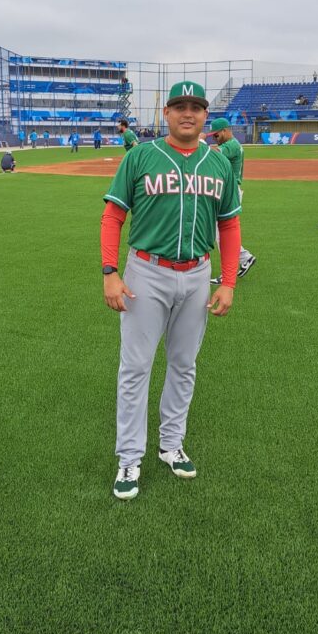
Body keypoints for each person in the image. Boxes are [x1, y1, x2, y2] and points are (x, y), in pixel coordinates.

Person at [101, 81, 241, 500]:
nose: (188, 113)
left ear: (204, 116)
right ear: (166, 113)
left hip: (198, 273)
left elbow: (229, 226)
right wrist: (110, 271)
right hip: (146, 272)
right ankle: (129, 456)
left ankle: (171, 444)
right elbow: (113, 216)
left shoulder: (218, 164)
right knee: (135, 368)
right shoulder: (141, 156)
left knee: (184, 364)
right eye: (179, 106)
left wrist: (229, 281)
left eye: (196, 107)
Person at [208, 117, 256, 283]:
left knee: (221, 233)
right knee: (219, 232)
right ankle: (245, 257)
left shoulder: (232, 145)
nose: (215, 138)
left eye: (216, 134)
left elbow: (213, 155)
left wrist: (198, 143)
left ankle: (230, 270)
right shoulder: (230, 144)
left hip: (230, 190)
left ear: (225, 131)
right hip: (228, 189)